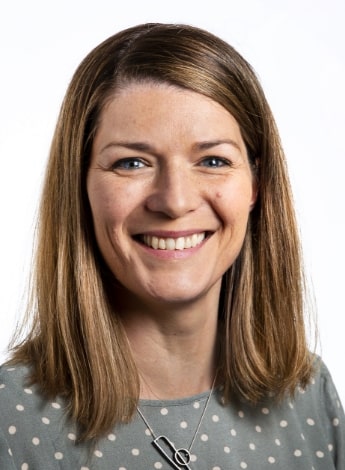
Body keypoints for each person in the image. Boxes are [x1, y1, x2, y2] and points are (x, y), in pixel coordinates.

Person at [0, 22, 344, 470]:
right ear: (79, 186)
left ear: (256, 184)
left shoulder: (308, 394)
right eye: (132, 162)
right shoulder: (11, 419)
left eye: (213, 160)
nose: (175, 201)